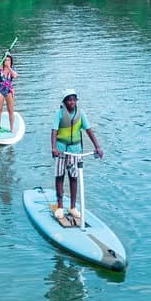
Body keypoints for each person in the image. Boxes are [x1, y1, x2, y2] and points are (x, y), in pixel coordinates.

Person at [51, 91, 103, 222]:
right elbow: (54, 131)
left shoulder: (81, 114)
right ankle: (60, 206)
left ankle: (73, 207)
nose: (71, 102)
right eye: (68, 100)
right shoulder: (59, 114)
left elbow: (89, 130)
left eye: (73, 100)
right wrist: (54, 148)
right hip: (61, 150)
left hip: (76, 151)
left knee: (74, 178)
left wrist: (97, 146)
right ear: (64, 101)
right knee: (59, 176)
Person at [0, 54, 18, 133]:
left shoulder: (12, 69)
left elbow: (15, 76)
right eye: (6, 60)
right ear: (3, 61)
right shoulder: (0, 69)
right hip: (0, 90)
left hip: (8, 91)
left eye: (9, 60)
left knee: (10, 110)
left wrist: (9, 67)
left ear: (11, 61)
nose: (7, 61)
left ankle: (12, 128)